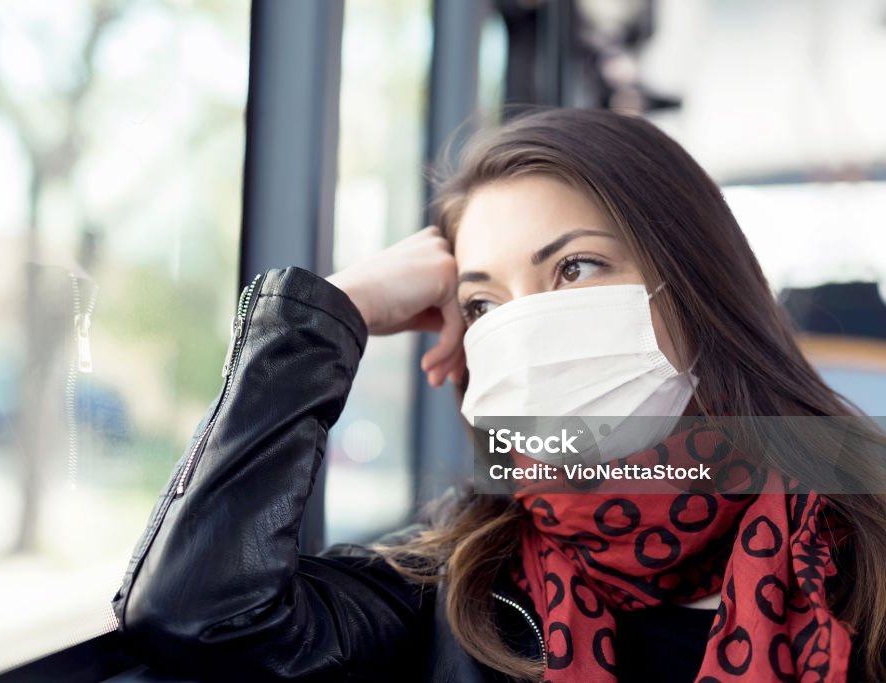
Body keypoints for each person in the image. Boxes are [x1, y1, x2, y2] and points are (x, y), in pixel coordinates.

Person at [110, 108, 886, 682]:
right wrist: (332, 312)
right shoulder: (453, 581)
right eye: (483, 304)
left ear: (695, 285)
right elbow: (196, 611)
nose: (527, 326)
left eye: (575, 268)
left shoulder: (865, 544)